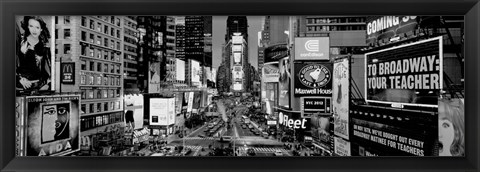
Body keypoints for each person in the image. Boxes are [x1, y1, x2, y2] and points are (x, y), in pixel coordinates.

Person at [16, 16, 52, 92]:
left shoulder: (45, 47)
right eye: (31, 26)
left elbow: (50, 70)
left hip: (38, 88)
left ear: (41, 29)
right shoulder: (20, 42)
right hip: (20, 87)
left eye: (37, 27)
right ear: (27, 27)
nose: (34, 30)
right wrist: (19, 79)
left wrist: (47, 85)